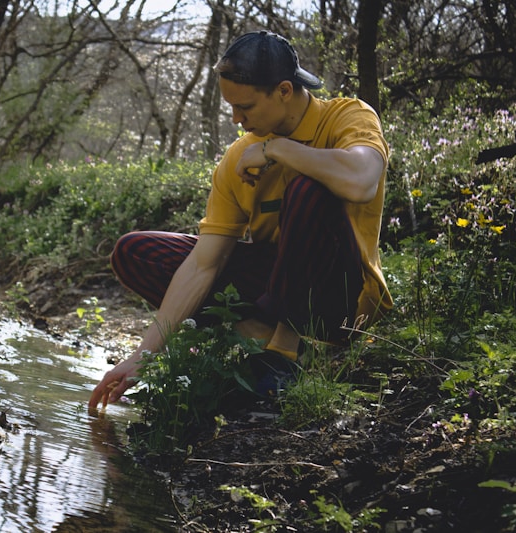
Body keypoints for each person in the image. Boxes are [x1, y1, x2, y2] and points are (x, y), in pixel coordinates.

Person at [88, 30, 392, 411]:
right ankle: (256, 337)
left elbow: (361, 180)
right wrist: (141, 357)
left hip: (339, 297)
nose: (236, 119)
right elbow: (204, 263)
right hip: (275, 282)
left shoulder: (348, 116)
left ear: (284, 90)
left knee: (308, 188)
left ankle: (287, 353)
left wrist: (279, 150)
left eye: (245, 107)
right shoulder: (239, 156)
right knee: (137, 251)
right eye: (231, 107)